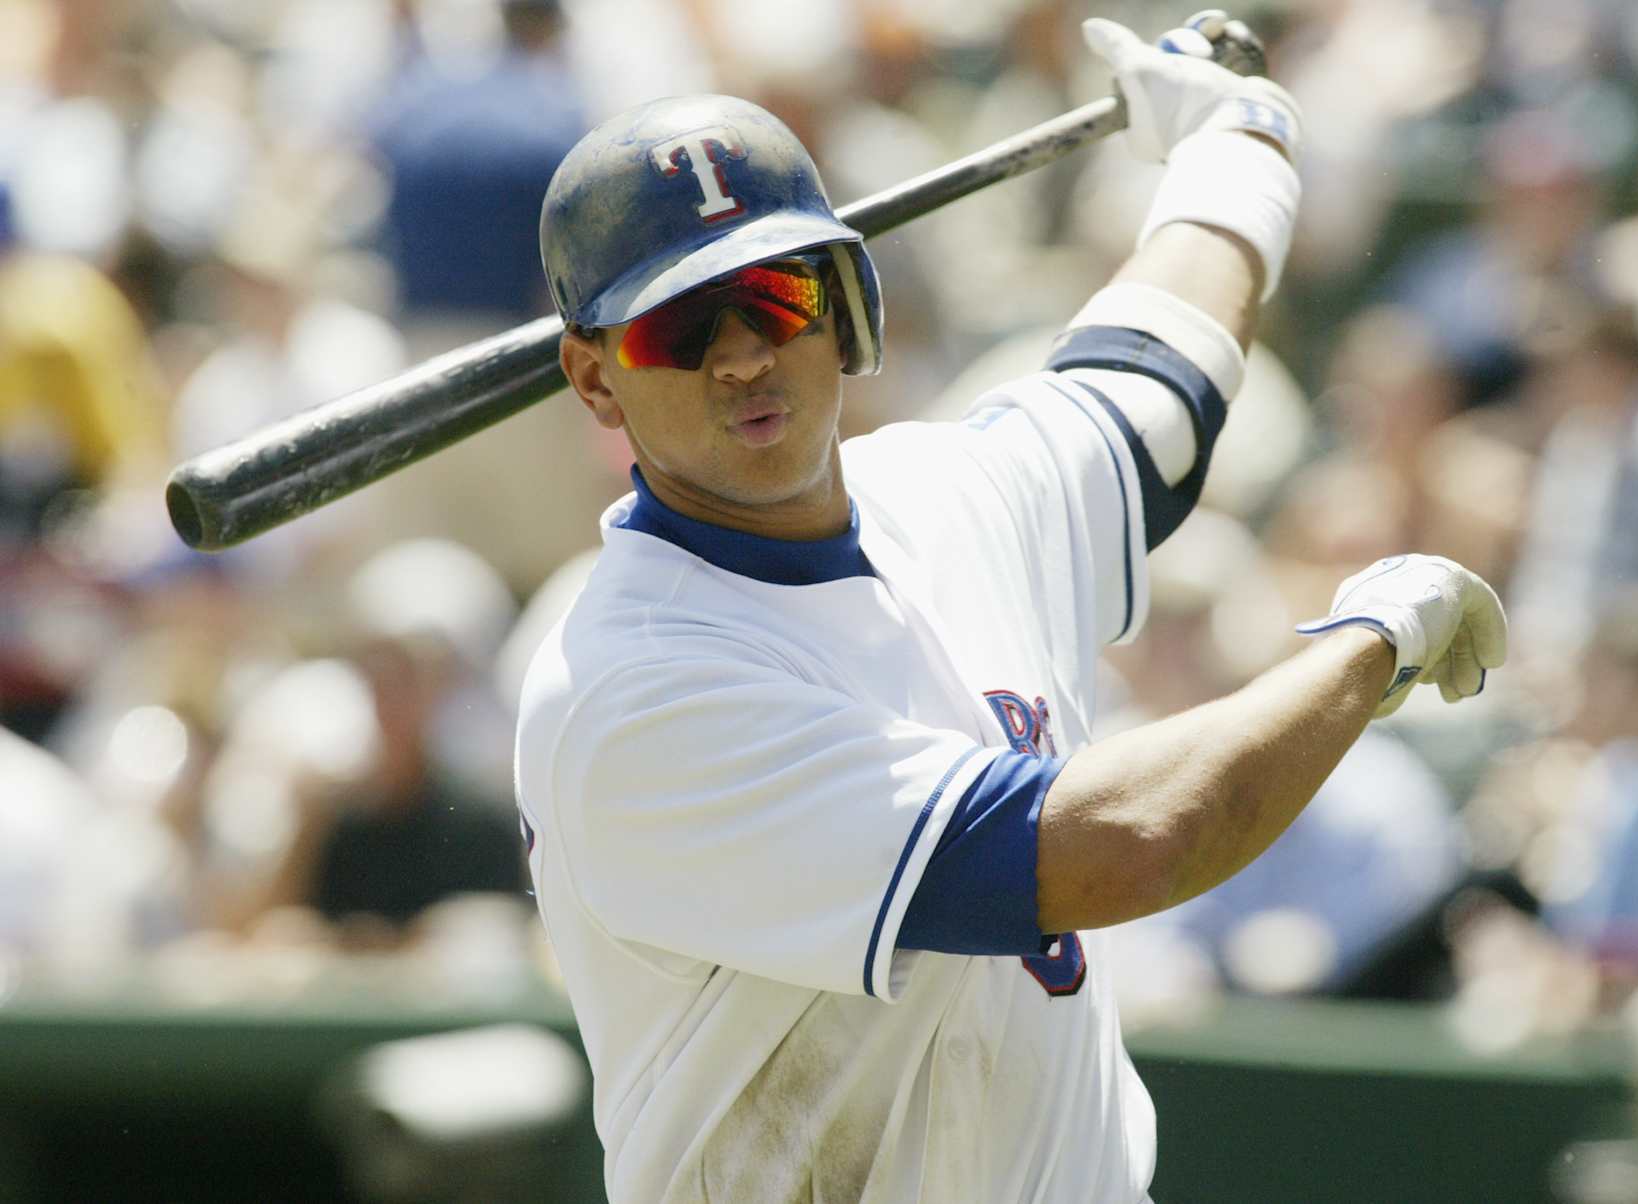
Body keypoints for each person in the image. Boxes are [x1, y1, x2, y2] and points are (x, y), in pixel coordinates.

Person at [514, 12, 1507, 1202]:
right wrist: (1371, 645)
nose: (740, 358)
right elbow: (1130, 842)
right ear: (594, 377)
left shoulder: (948, 491)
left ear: (843, 304)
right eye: (680, 327)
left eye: (775, 298)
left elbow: (1156, 375)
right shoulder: (631, 692)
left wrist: (1236, 149)